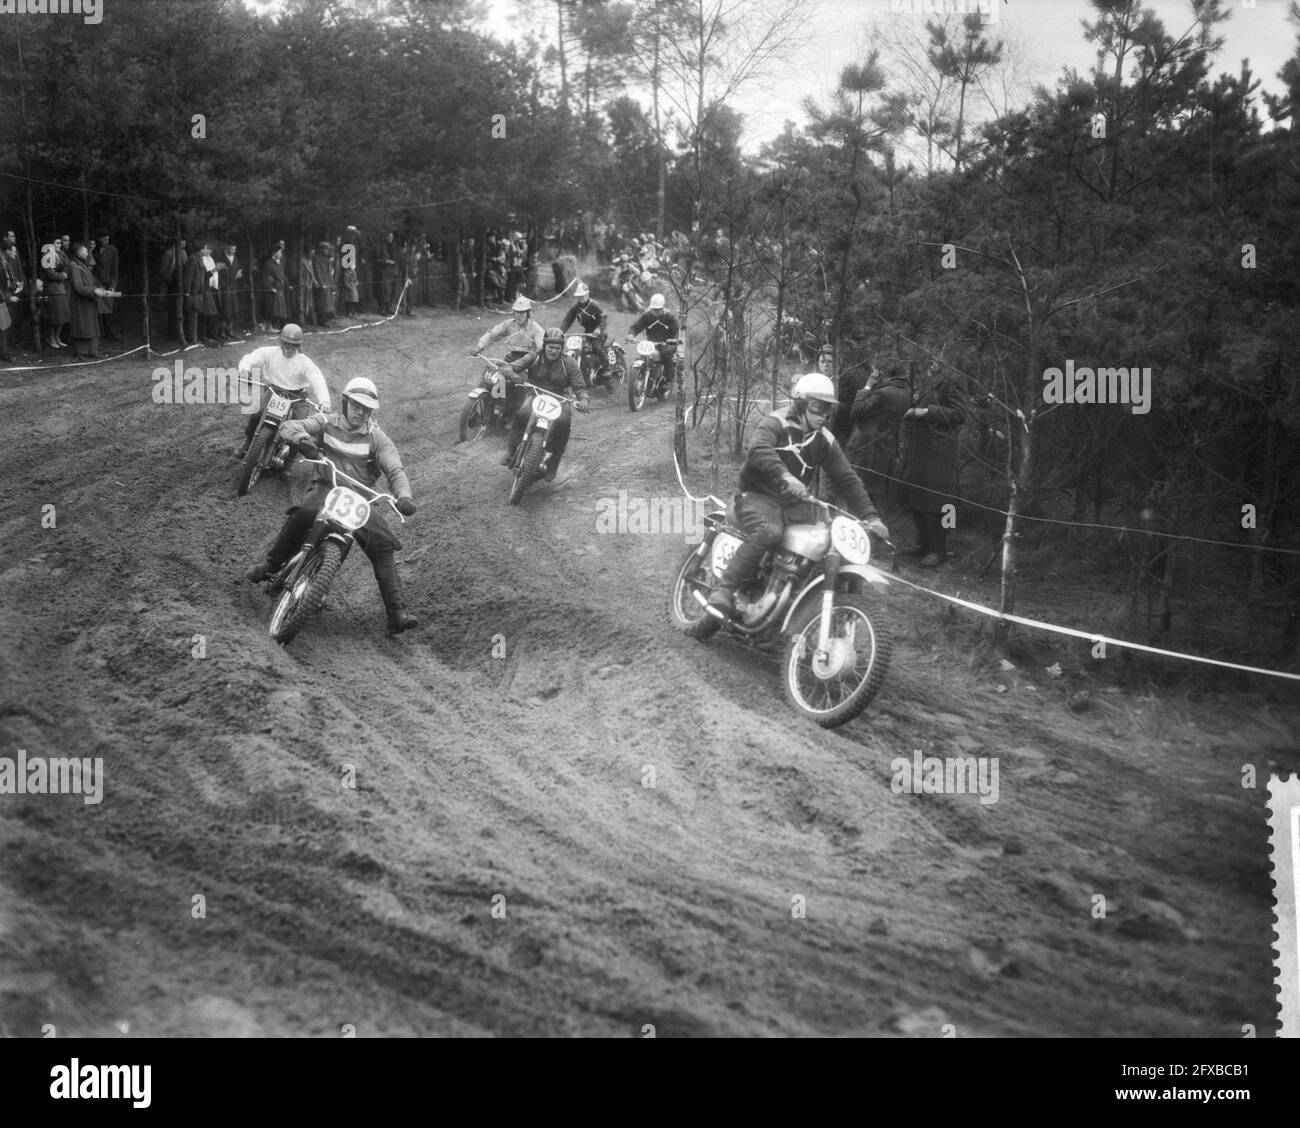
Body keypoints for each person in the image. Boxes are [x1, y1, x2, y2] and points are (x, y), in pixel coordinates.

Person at [705, 373, 889, 620]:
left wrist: (871, 517)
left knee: (821, 542)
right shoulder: (776, 422)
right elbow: (758, 449)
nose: (823, 414)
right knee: (769, 530)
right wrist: (785, 475)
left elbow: (847, 479)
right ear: (801, 404)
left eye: (828, 409)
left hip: (793, 505)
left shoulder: (823, 439)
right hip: (756, 495)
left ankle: (788, 602)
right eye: (818, 406)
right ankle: (724, 590)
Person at [244, 377, 420, 636]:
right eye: (357, 406)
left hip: (360, 499)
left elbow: (395, 469)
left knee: (383, 545)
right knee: (303, 513)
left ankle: (396, 613)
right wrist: (303, 439)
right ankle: (271, 564)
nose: (361, 412)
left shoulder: (377, 437)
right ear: (346, 402)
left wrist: (404, 496)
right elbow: (290, 425)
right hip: (328, 486)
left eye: (366, 408)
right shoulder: (325, 421)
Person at [499, 326, 589, 481]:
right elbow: (512, 366)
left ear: (562, 349)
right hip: (535, 394)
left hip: (559, 398)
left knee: (563, 423)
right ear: (545, 346)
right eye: (550, 347)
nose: (553, 351)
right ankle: (511, 449)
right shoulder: (534, 357)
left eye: (557, 348)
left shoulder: (569, 362)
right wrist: (511, 373)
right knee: (522, 414)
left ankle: (554, 462)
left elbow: (580, 387)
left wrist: (584, 400)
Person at [897, 369, 966, 568]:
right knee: (916, 496)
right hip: (920, 447)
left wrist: (925, 412)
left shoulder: (954, 378)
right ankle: (924, 544)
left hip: (940, 451)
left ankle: (939, 549)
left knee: (937, 500)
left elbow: (960, 414)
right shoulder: (926, 376)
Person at [235, 323, 331, 457]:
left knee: (298, 428)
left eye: (295, 345)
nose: (290, 348)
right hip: (274, 390)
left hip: (297, 396)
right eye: (287, 344)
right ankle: (248, 442)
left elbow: (318, 381)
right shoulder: (269, 352)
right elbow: (250, 359)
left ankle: (290, 461)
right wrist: (244, 370)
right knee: (257, 414)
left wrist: (324, 402)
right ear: (281, 342)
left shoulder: (305, 363)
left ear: (299, 346)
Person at [845, 362, 910, 502]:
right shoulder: (906, 390)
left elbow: (856, 411)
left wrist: (868, 387)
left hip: (868, 450)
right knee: (871, 492)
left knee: (858, 492)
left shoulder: (884, 393)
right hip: (885, 447)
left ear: (887, 375)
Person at [559, 282, 610, 383]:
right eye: (579, 296)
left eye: (582, 295)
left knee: (596, 347)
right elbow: (568, 319)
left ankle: (606, 369)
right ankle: (586, 374)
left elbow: (603, 317)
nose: (581, 298)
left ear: (587, 294)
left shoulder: (594, 305)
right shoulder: (576, 308)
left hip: (599, 332)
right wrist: (560, 332)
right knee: (583, 349)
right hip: (588, 332)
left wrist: (599, 329)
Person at [625, 293, 680, 386]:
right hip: (652, 343)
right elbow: (636, 327)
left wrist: (673, 340)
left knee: (666, 354)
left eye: (658, 310)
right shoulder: (647, 316)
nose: (655, 312)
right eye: (654, 309)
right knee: (642, 355)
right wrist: (631, 335)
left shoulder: (670, 317)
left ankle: (668, 380)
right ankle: (642, 376)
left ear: (662, 307)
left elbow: (676, 331)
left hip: (667, 343)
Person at [67, 241, 106, 359]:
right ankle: (80, 352)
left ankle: (93, 351)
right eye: (84, 251)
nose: (86, 254)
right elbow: (78, 287)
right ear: (78, 252)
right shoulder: (73, 265)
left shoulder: (83, 264)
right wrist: (94, 291)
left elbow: (91, 281)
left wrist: (99, 288)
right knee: (82, 327)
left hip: (89, 301)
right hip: (80, 302)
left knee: (92, 326)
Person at [41, 236, 70, 349]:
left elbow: (67, 265)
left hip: (61, 289)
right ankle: (50, 337)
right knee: (54, 317)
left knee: (63, 315)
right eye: (57, 243)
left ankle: (57, 337)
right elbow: (50, 274)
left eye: (59, 243)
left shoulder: (61, 254)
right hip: (52, 289)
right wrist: (61, 275)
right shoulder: (47, 256)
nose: (59, 245)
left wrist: (63, 273)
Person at [93, 231, 120, 341]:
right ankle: (99, 333)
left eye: (107, 240)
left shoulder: (113, 250)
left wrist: (113, 284)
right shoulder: (93, 250)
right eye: (104, 239)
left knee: (108, 309)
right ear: (99, 239)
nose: (106, 242)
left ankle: (110, 333)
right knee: (97, 309)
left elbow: (115, 269)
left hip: (107, 283)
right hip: (96, 283)